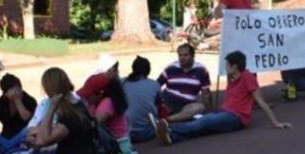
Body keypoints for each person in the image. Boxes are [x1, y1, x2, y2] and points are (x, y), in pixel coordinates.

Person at [156, 50, 291, 144]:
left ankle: (170, 128)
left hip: (237, 117)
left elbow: (260, 101)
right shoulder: (231, 77)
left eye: (227, 65)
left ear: (235, 66)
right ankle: (172, 138)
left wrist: (276, 122)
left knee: (206, 122)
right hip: (226, 112)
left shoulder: (247, 77)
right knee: (204, 126)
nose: (225, 68)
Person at [0, 68, 95, 154]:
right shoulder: (73, 105)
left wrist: (51, 107)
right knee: (14, 153)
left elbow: (42, 140)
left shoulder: (71, 114)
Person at [78, 73, 133, 154]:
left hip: (119, 148)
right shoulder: (94, 104)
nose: (85, 98)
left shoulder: (108, 103)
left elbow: (93, 124)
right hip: (111, 144)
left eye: (88, 96)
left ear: (100, 93)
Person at [157, 44, 213, 123]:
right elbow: (157, 85)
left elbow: (206, 93)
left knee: (200, 108)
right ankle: (173, 118)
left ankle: (167, 120)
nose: (182, 58)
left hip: (187, 106)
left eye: (186, 55)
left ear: (193, 56)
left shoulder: (201, 70)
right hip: (168, 102)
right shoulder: (171, 68)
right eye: (180, 55)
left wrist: (210, 113)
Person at [0, 74, 37, 142]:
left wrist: (17, 101)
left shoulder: (29, 100)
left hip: (25, 136)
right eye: (12, 90)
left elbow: (28, 119)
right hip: (7, 136)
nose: (17, 92)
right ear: (5, 93)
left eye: (18, 89)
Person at [121, 55, 161, 143]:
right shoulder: (154, 84)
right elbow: (158, 105)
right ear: (148, 70)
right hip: (146, 133)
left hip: (125, 133)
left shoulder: (123, 82)